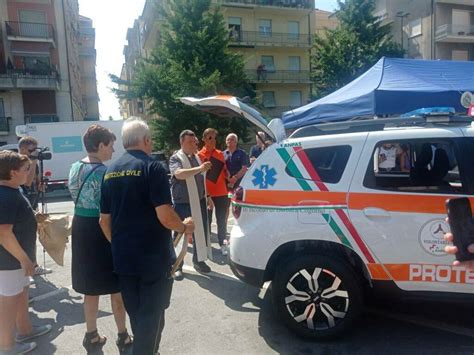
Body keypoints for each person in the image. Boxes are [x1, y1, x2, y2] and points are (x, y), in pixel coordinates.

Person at [99, 117, 194, 355]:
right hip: (153, 259)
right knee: (152, 318)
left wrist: (119, 244)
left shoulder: (109, 171)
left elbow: (103, 220)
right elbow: (164, 215)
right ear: (146, 140)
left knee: (139, 315)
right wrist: (184, 227)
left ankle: (150, 350)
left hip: (123, 258)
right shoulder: (153, 167)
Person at [68, 125, 132, 353]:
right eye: (111, 145)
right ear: (100, 145)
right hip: (101, 230)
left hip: (81, 228)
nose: (113, 150)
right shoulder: (105, 172)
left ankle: (91, 334)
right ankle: (123, 335)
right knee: (117, 286)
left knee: (90, 287)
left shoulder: (74, 167)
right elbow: (110, 211)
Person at [0, 151, 52, 354]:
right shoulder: (5, 195)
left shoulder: (13, 190)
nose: (29, 173)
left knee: (21, 293)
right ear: (13, 172)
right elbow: (3, 233)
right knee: (8, 300)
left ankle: (25, 330)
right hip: (9, 261)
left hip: (17, 260)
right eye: (25, 169)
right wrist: (25, 260)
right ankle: (6, 346)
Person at [170, 130, 213, 280]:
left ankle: (199, 261)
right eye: (189, 142)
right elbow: (179, 174)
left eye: (194, 141)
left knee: (199, 232)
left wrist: (207, 197)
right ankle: (177, 266)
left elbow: (201, 180)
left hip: (199, 201)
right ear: (181, 143)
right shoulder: (176, 158)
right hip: (183, 203)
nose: (193, 144)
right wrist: (199, 169)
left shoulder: (196, 157)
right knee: (180, 234)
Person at [18, 137, 51, 277]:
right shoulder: (17, 163)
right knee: (21, 238)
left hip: (33, 202)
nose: (34, 153)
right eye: (32, 150)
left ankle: (34, 266)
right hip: (20, 204)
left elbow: (35, 181)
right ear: (23, 149)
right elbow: (26, 182)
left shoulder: (34, 164)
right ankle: (23, 271)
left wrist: (41, 186)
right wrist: (33, 161)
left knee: (32, 237)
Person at [198, 128, 230, 256]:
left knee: (221, 220)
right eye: (210, 138)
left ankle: (223, 243)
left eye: (214, 138)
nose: (213, 140)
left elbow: (224, 171)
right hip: (207, 193)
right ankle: (206, 244)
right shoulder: (199, 155)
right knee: (207, 220)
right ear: (204, 139)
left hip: (221, 191)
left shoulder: (220, 154)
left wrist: (228, 174)